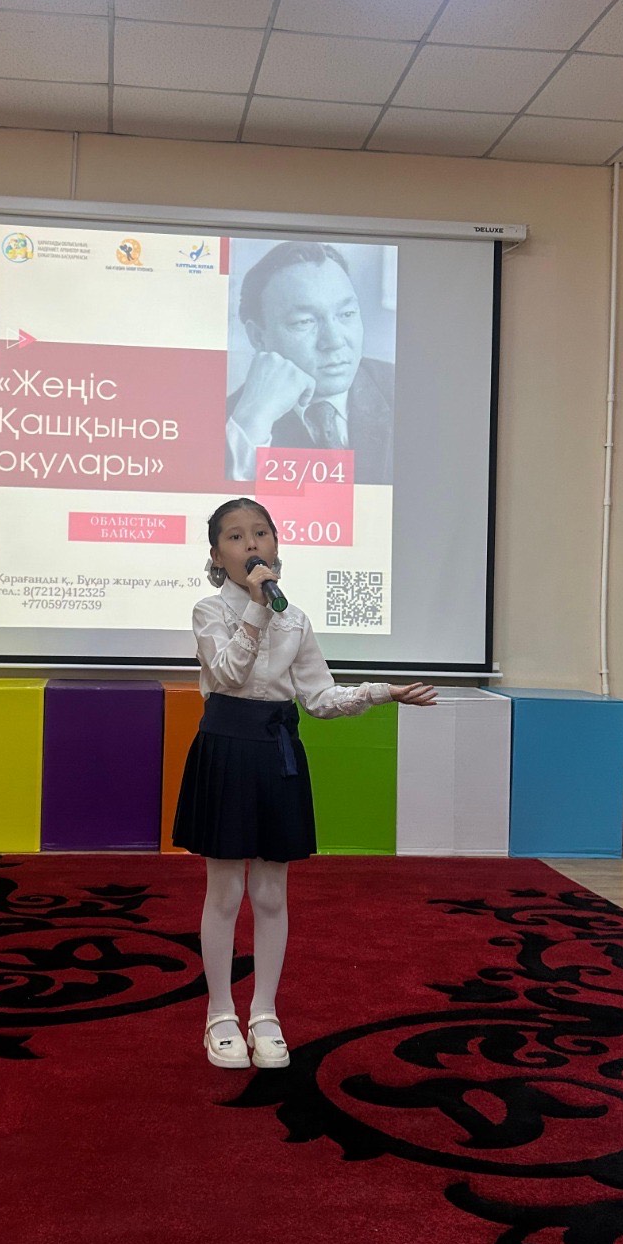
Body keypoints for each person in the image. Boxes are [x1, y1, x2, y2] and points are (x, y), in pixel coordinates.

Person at [172, 497, 438, 1070]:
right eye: (235, 537)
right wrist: (257, 609)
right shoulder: (209, 611)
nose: (251, 544)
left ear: (275, 544)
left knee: (271, 893)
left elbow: (319, 698)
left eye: (261, 533)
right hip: (226, 749)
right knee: (226, 891)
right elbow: (227, 673)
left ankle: (265, 1014)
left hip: (277, 754)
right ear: (216, 556)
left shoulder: (295, 620)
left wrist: (381, 692)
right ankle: (220, 1014)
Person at [225, 241, 394, 485]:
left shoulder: (408, 393)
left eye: (347, 314)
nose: (334, 341)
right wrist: (252, 424)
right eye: (304, 321)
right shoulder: (232, 424)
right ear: (258, 337)